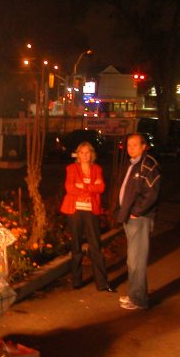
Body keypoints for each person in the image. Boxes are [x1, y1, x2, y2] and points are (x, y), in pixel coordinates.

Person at [59, 141, 114, 292]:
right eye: (81, 152)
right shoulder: (71, 168)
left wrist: (82, 186)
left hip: (91, 211)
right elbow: (70, 188)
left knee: (95, 246)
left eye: (87, 152)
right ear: (78, 154)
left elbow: (101, 187)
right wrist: (90, 190)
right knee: (76, 246)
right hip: (75, 211)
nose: (84, 155)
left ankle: (102, 283)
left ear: (91, 154)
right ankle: (77, 281)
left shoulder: (97, 169)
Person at [116, 133, 161, 310]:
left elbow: (151, 193)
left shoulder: (148, 165)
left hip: (140, 219)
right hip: (130, 217)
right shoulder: (134, 164)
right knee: (132, 260)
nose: (131, 148)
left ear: (144, 146)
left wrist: (136, 212)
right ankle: (134, 294)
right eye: (129, 145)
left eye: (135, 145)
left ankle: (139, 300)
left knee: (137, 261)